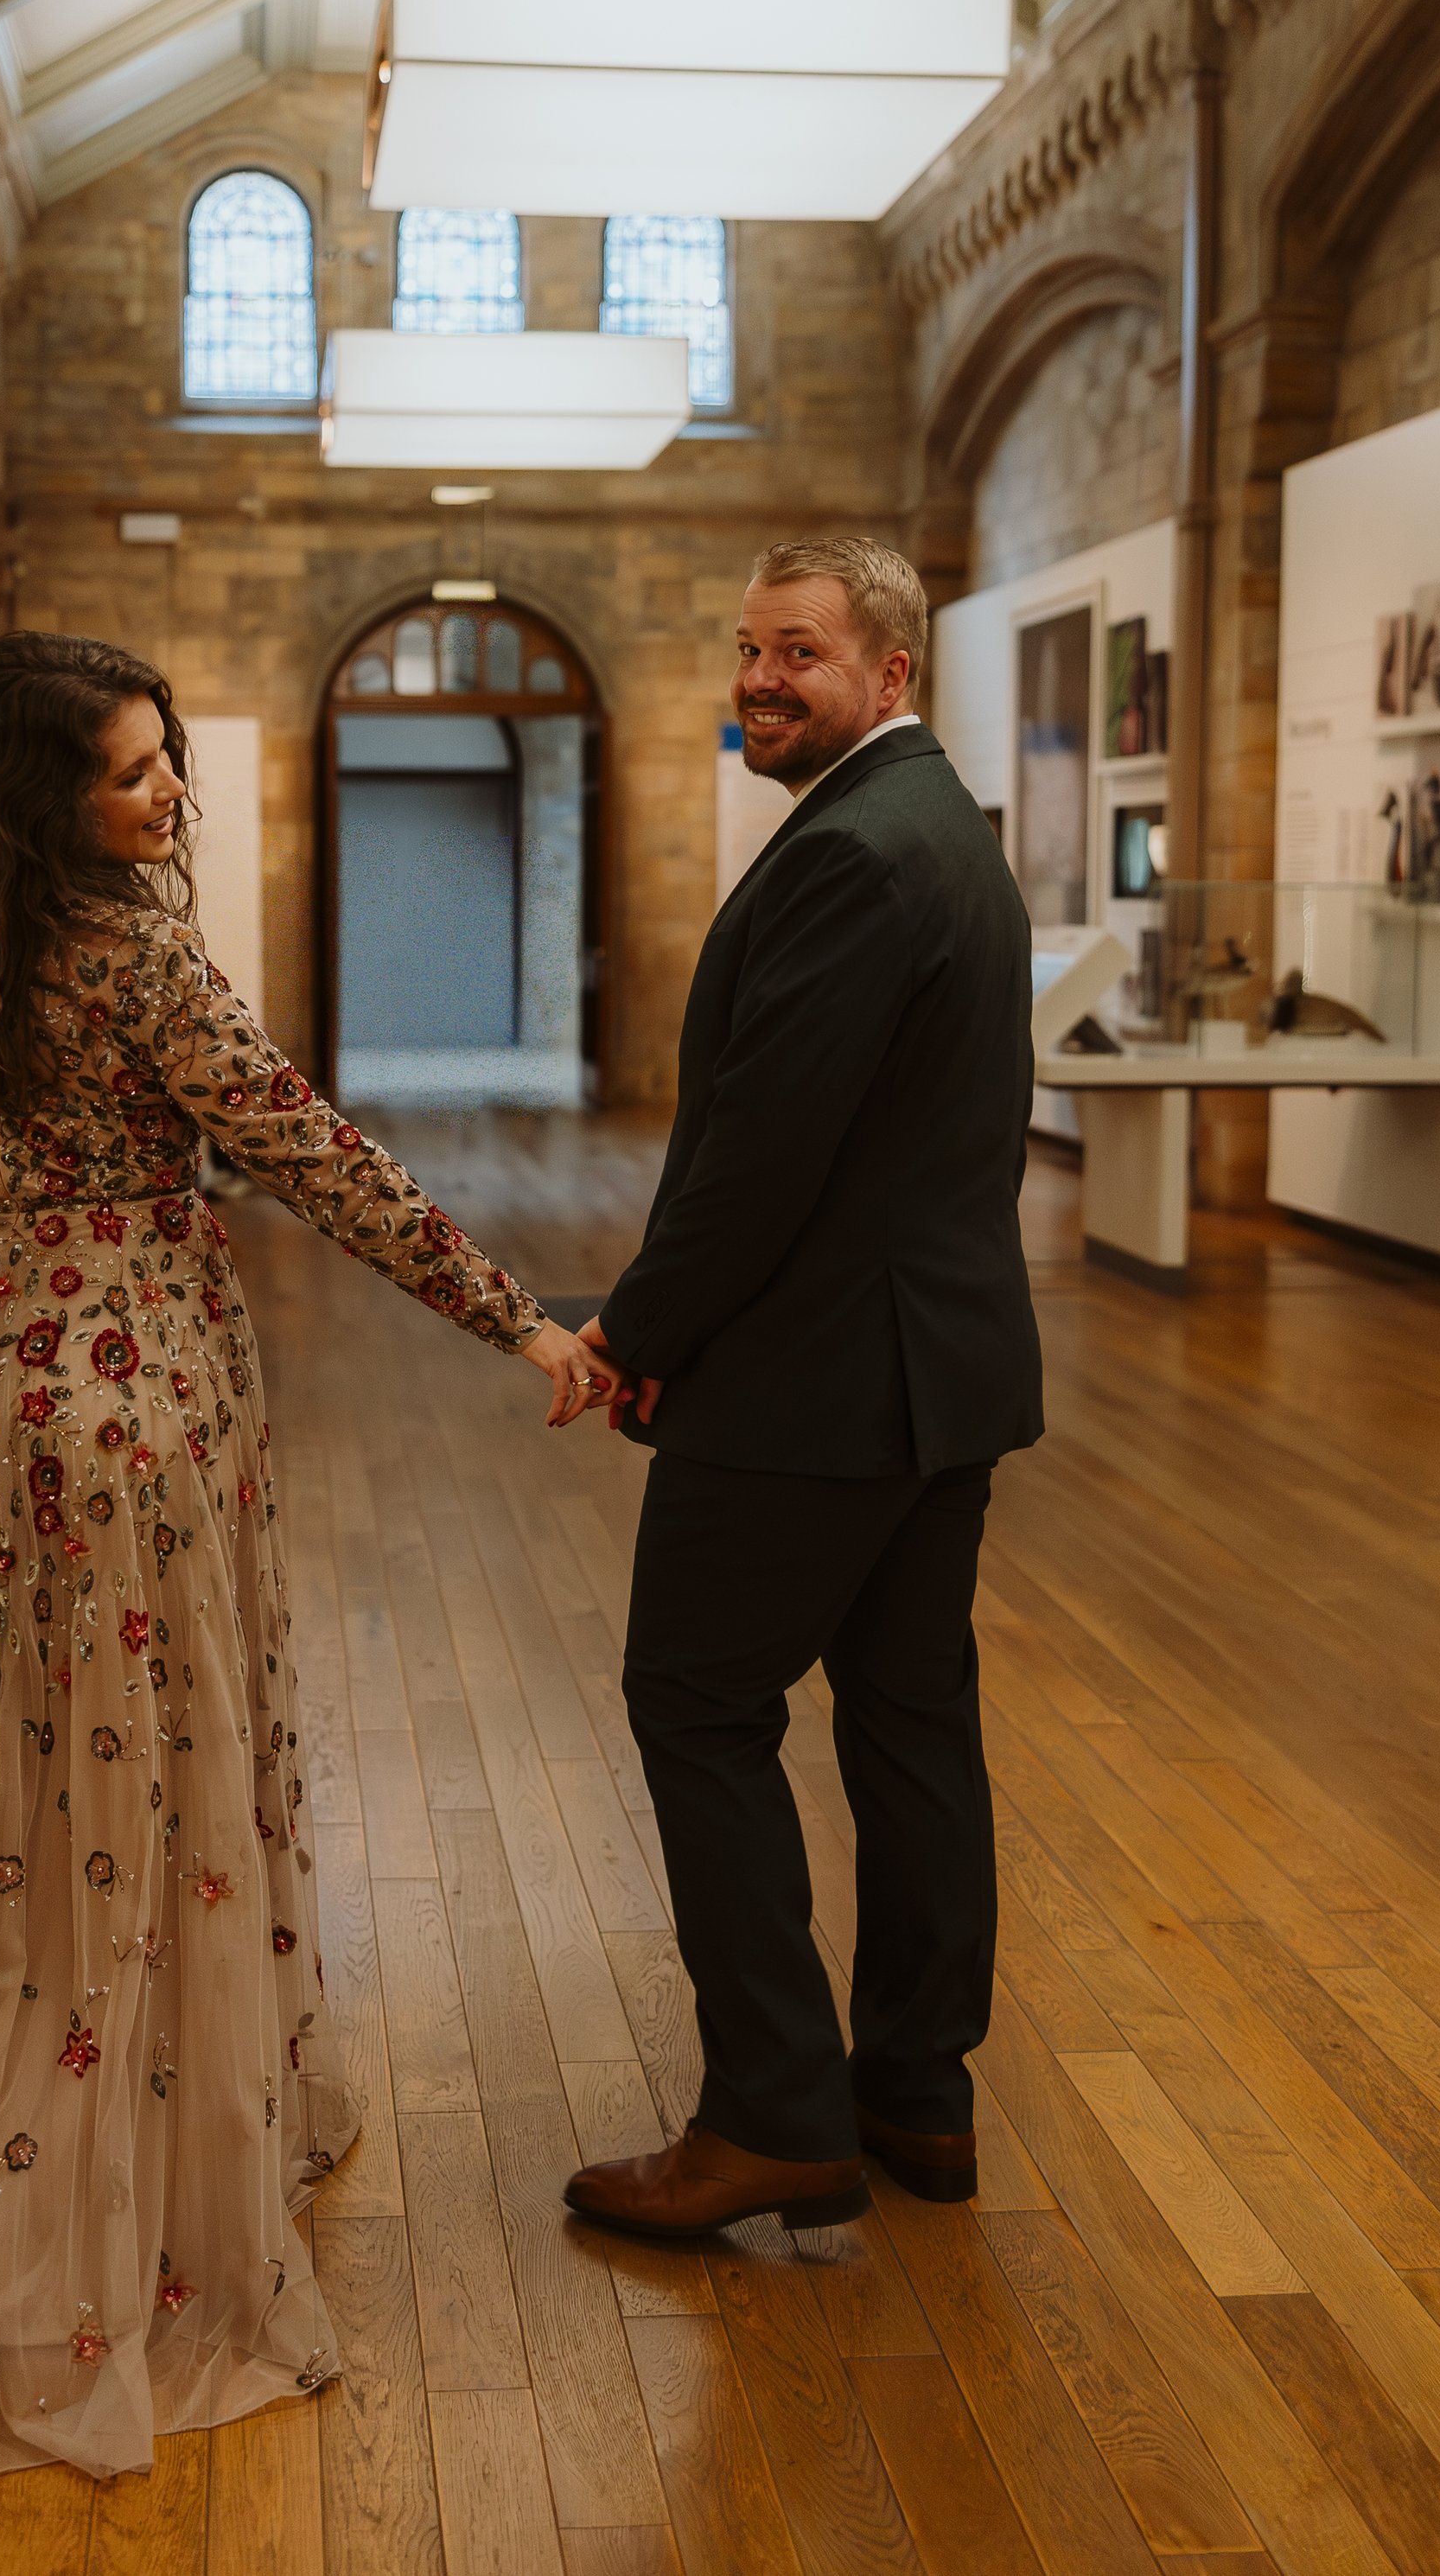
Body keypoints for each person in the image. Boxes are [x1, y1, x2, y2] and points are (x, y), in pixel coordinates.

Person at [0, 634, 612, 2487]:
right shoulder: (132, 954)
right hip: (117, 1410)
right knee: (118, 1760)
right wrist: (523, 1323)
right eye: (130, 771)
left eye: (165, 754)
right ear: (45, 802)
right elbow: (311, 1152)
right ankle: (85, 2137)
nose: (167, 789)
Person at [566, 536, 1043, 2241]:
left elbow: (760, 1155)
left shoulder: (858, 853)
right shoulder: (931, 835)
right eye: (749, 648)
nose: (761, 679)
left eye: (802, 654)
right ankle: (914, 2092)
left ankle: (771, 2111)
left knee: (696, 1703)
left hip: (818, 1387)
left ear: (888, 674)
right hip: (932, 1377)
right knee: (910, 1725)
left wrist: (638, 1329)